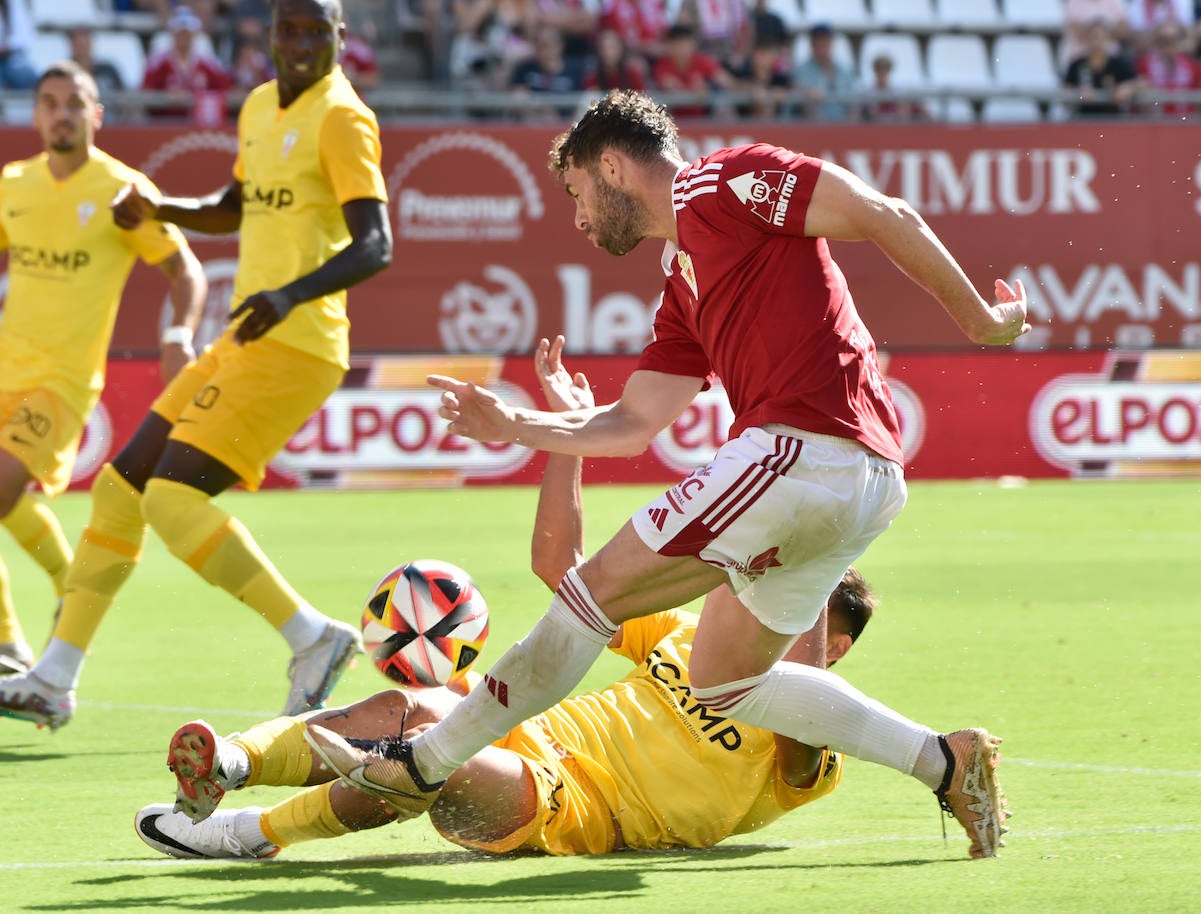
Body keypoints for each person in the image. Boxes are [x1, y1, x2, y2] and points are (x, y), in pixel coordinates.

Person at [308, 90, 1022, 859]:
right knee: (722, 682)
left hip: (804, 452)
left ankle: (423, 762)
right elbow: (632, 423)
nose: (578, 217)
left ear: (613, 165)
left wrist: (980, 320)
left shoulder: (724, 184)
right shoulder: (683, 281)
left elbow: (887, 215)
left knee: (588, 594)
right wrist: (517, 425)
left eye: (578, 191)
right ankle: (943, 761)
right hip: (865, 481)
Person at [134, 339, 873, 860]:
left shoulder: (813, 742)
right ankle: (228, 765)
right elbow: (561, 567)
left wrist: (810, 557)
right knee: (419, 702)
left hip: (565, 807)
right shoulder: (682, 638)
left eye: (806, 593)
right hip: (517, 735)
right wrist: (568, 436)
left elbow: (803, 724)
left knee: (425, 736)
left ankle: (246, 834)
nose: (768, 590)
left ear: (833, 644)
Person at [0, 0, 392, 732]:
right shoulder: (257, 106)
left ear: (340, 38)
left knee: (171, 500)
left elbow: (377, 245)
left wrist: (291, 293)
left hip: (298, 342)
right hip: (248, 334)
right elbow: (231, 207)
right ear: (269, 36)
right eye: (288, 29)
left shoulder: (343, 117)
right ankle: (54, 676)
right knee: (119, 492)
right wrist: (162, 208)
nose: (300, 43)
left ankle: (313, 638)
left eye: (316, 31)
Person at [0, 63, 204, 681]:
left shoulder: (123, 190)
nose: (61, 113)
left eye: (74, 103)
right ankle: (69, 584)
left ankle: (9, 644)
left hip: (61, 383)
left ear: (96, 115)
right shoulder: (14, 184)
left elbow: (186, 270)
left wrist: (178, 333)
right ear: (36, 115)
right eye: (50, 102)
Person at [141, 4, 235, 123]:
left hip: (197, 124)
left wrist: (197, 96)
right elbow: (146, 92)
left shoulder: (206, 63)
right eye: (180, 33)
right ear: (173, 34)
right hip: (165, 123)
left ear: (194, 35)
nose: (184, 38)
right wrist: (165, 96)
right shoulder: (159, 63)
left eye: (187, 33)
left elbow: (226, 88)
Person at [1064, 19, 1141, 117]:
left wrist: (1128, 88)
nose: (1096, 42)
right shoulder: (1077, 64)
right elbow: (1066, 90)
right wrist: (1078, 94)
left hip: (1114, 120)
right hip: (1083, 120)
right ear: (1086, 40)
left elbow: (1141, 82)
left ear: (1108, 39)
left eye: (1101, 37)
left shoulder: (1118, 63)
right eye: (1092, 37)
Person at [793, 23, 858, 122]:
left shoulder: (845, 70)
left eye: (825, 41)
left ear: (831, 43)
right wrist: (806, 93)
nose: (822, 46)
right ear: (812, 44)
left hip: (844, 128)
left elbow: (855, 101)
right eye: (818, 42)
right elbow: (795, 90)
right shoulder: (800, 71)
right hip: (813, 130)